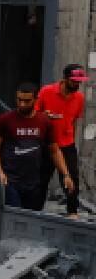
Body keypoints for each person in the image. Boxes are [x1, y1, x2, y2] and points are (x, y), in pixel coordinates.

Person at [0, 83, 74, 211]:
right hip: (10, 181)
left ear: (35, 99)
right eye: (19, 100)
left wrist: (66, 175)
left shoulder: (44, 121)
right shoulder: (5, 120)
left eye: (27, 101)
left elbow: (54, 151)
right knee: (15, 215)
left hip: (33, 182)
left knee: (32, 217)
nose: (22, 104)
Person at [38, 64, 87, 219]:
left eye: (79, 82)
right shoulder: (47, 91)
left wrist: (72, 139)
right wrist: (45, 116)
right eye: (74, 81)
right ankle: (35, 210)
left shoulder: (79, 97)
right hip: (47, 144)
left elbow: (75, 121)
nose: (77, 84)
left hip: (67, 144)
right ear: (65, 79)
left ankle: (72, 212)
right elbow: (34, 114)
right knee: (41, 179)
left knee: (72, 178)